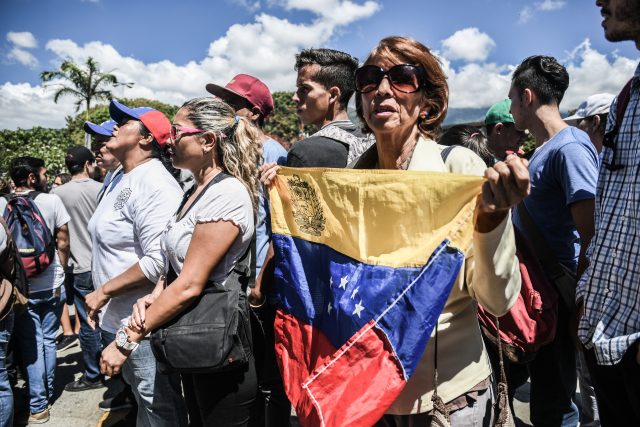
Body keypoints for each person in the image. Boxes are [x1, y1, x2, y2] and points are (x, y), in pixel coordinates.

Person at [348, 35, 526, 426]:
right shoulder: (349, 185)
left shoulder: (457, 169)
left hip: (447, 397)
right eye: (369, 78)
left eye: (402, 78)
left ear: (428, 100)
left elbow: (496, 301)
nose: (381, 90)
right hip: (367, 395)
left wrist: (492, 221)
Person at [101, 97, 260, 426]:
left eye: (176, 131)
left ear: (206, 141)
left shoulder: (225, 193)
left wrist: (126, 339)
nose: (168, 139)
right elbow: (176, 266)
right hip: (195, 342)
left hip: (221, 349)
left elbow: (190, 283)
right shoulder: (195, 190)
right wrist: (155, 293)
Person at [509, 55, 599, 427]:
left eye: (512, 98)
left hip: (558, 295)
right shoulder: (548, 149)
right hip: (538, 294)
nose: (511, 107)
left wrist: (580, 299)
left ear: (527, 97)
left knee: (554, 400)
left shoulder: (569, 149)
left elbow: (591, 232)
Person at [85, 100, 187, 426]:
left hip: (141, 324)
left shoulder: (156, 184)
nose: (114, 126)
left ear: (146, 139)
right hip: (117, 319)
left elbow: (158, 261)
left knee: (159, 407)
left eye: (124, 121)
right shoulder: (118, 177)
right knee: (143, 402)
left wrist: (103, 291)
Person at [207, 74, 290, 426]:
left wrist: (259, 283)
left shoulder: (271, 153)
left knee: (269, 377)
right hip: (231, 284)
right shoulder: (225, 153)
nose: (225, 111)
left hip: (259, 288)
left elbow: (280, 225)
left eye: (232, 105)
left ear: (254, 113)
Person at [578, 1, 640, 425]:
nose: (599, 2)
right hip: (606, 333)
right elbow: (613, 214)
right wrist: (588, 296)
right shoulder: (627, 99)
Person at [0, 156, 70, 424]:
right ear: (31, 177)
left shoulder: (1, 203)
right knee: (49, 339)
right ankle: (44, 397)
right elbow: (62, 241)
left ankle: (37, 402)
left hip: (20, 289)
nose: (45, 177)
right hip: (50, 282)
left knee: (31, 343)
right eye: (42, 173)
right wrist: (61, 271)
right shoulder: (52, 201)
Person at [51, 146, 104, 393]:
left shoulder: (56, 194)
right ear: (87, 164)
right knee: (109, 318)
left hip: (77, 266)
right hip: (104, 264)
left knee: (87, 322)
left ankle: (94, 373)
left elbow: (57, 235)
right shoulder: (102, 188)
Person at [287, 48, 373, 167]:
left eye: (304, 89)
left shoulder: (305, 152)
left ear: (332, 95)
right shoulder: (375, 144)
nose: (295, 97)